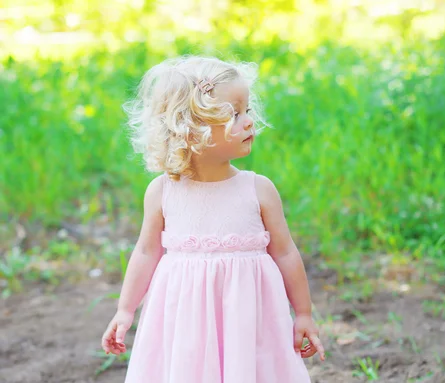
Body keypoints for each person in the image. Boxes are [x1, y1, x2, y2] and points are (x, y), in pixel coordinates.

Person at [100, 56, 325, 382]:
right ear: (192, 128)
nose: (248, 121)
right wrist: (125, 310)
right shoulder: (162, 191)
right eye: (234, 114)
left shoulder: (258, 190)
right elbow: (146, 252)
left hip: (248, 320)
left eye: (247, 110)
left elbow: (286, 252)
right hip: (187, 322)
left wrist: (303, 313)